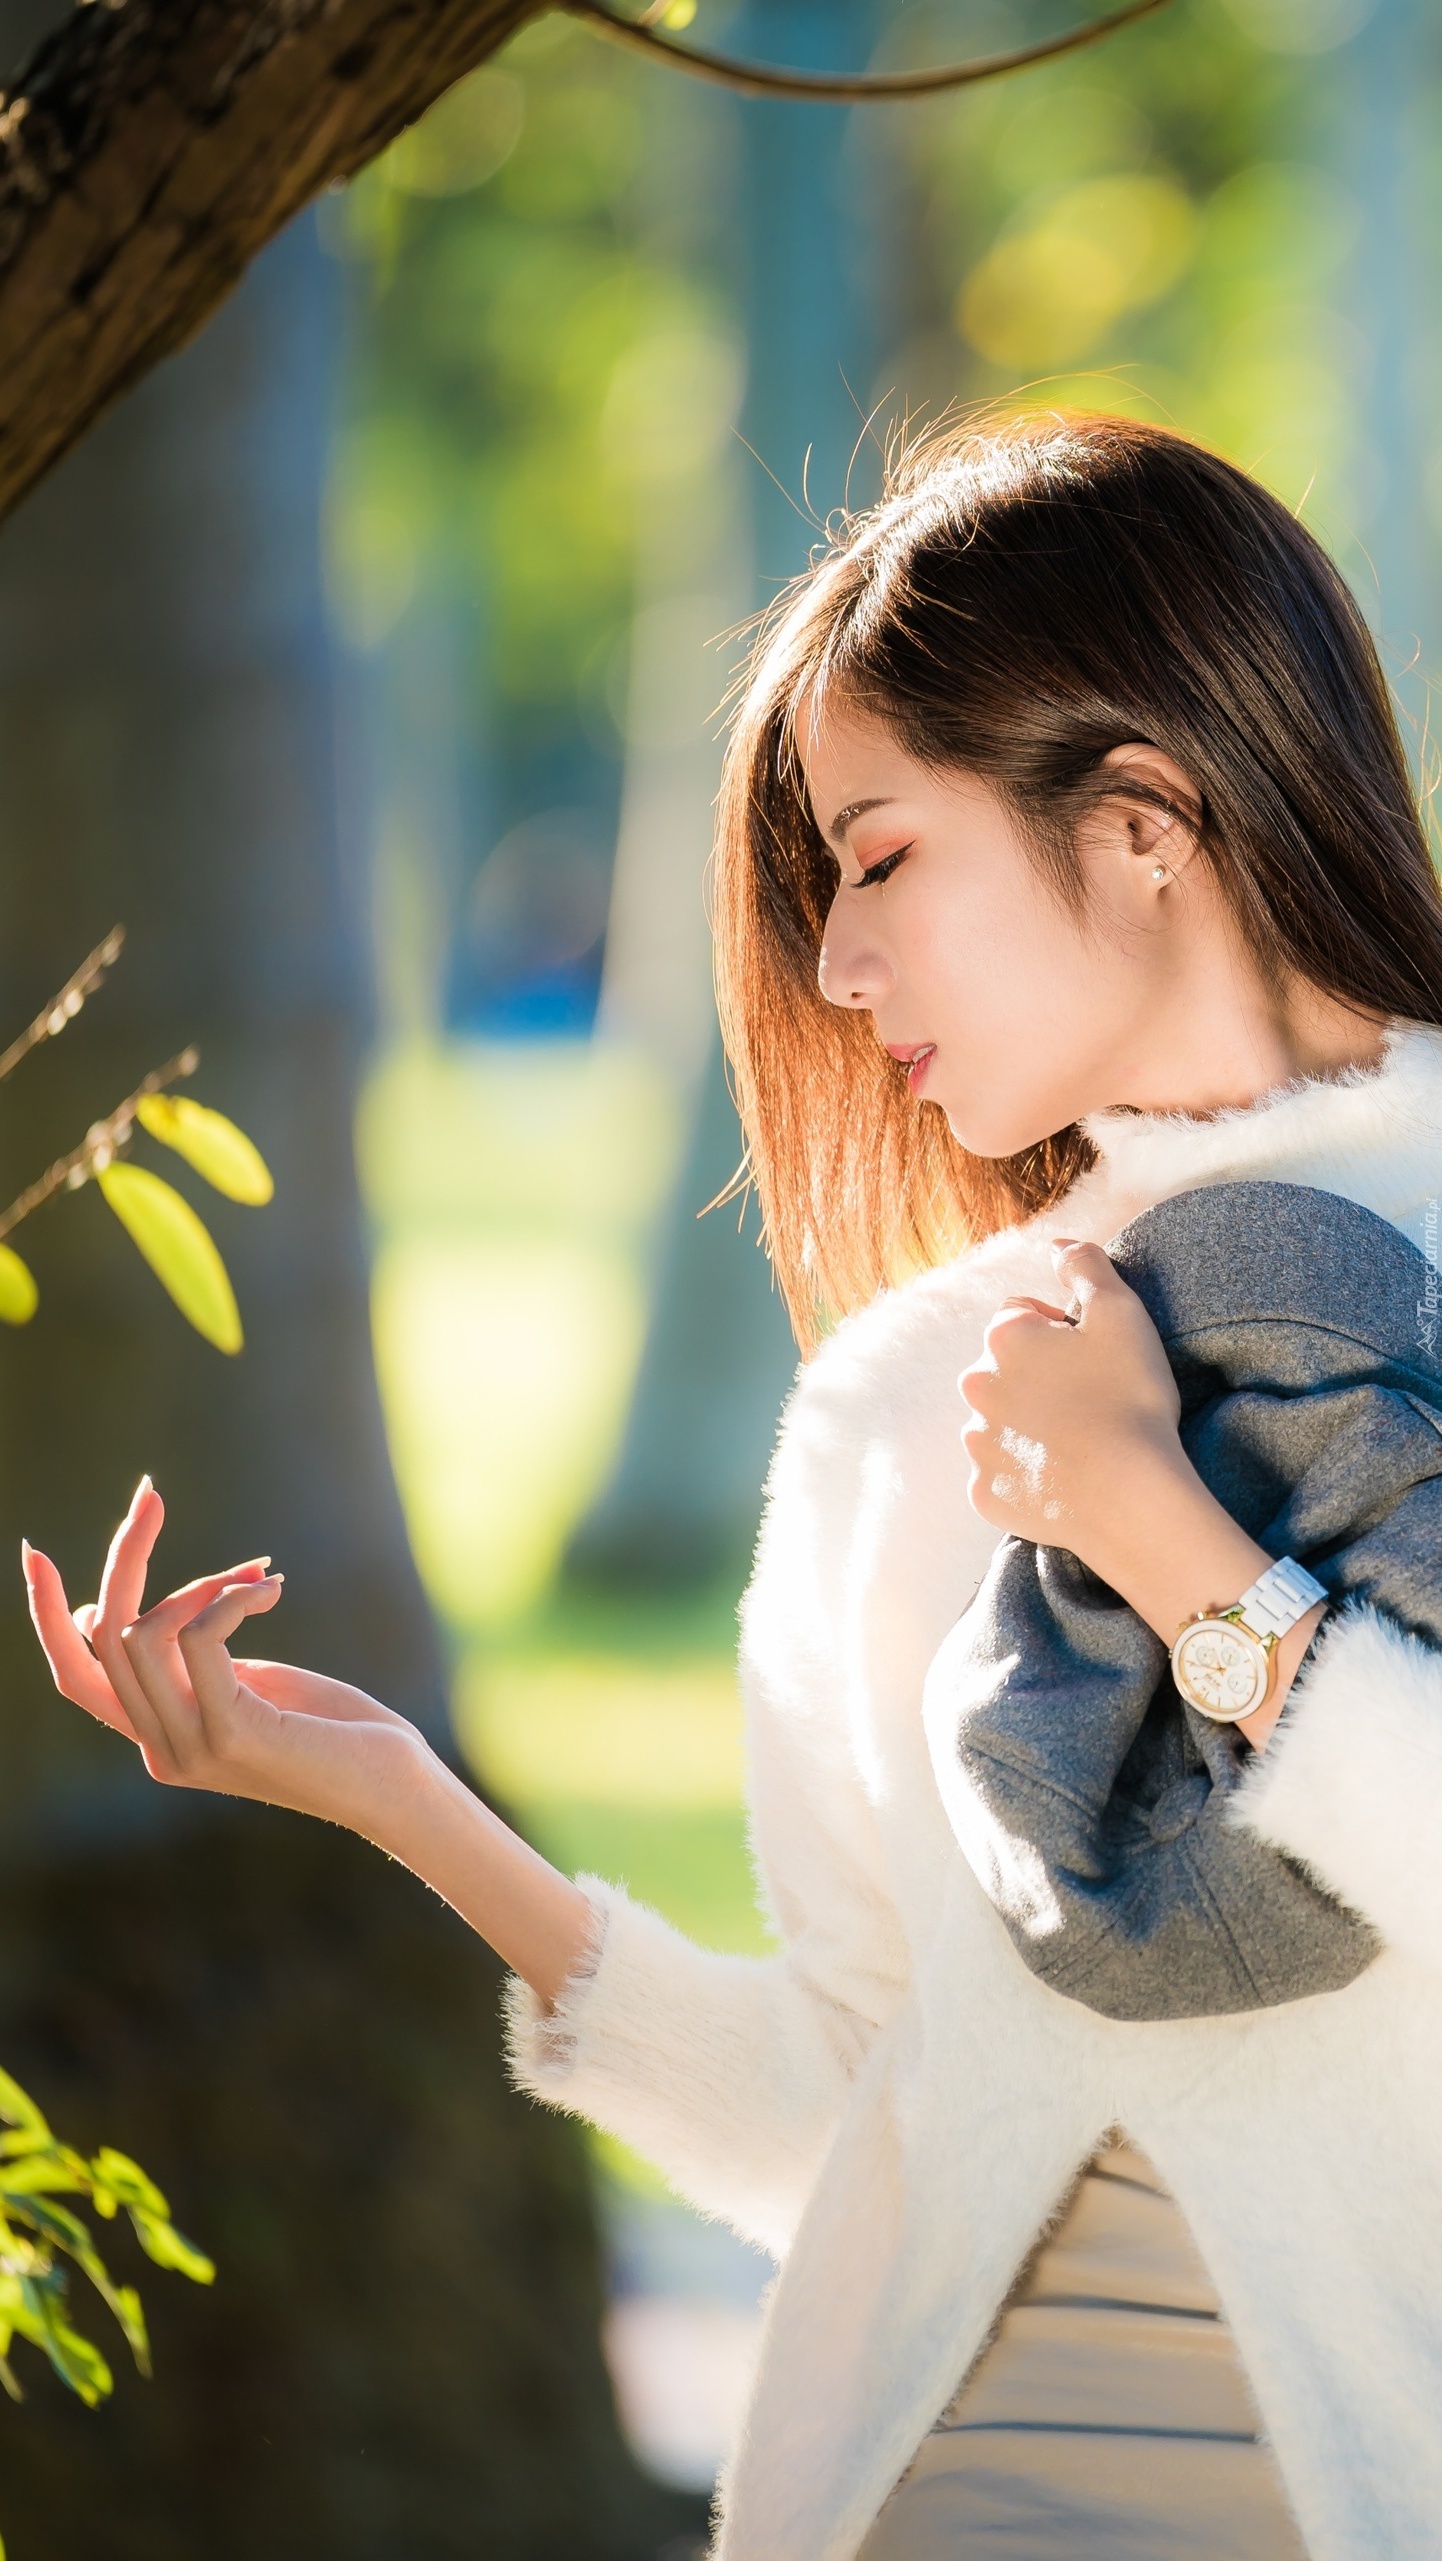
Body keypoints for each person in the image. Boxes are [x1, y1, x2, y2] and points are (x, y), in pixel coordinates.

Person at [25, 413, 1442, 2560]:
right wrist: (404, 1803)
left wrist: (1161, 1535)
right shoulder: (910, 1412)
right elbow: (858, 2141)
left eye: (877, 857)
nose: (833, 967)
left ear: (1142, 818)